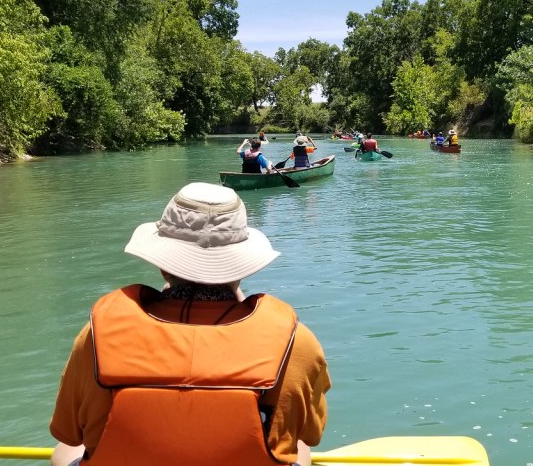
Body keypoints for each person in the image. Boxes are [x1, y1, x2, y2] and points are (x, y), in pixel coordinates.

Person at [49, 182, 330, 466]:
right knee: (298, 442)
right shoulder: (296, 342)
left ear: (161, 264)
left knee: (66, 449)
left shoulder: (97, 336)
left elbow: (70, 432)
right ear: (241, 267)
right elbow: (311, 431)